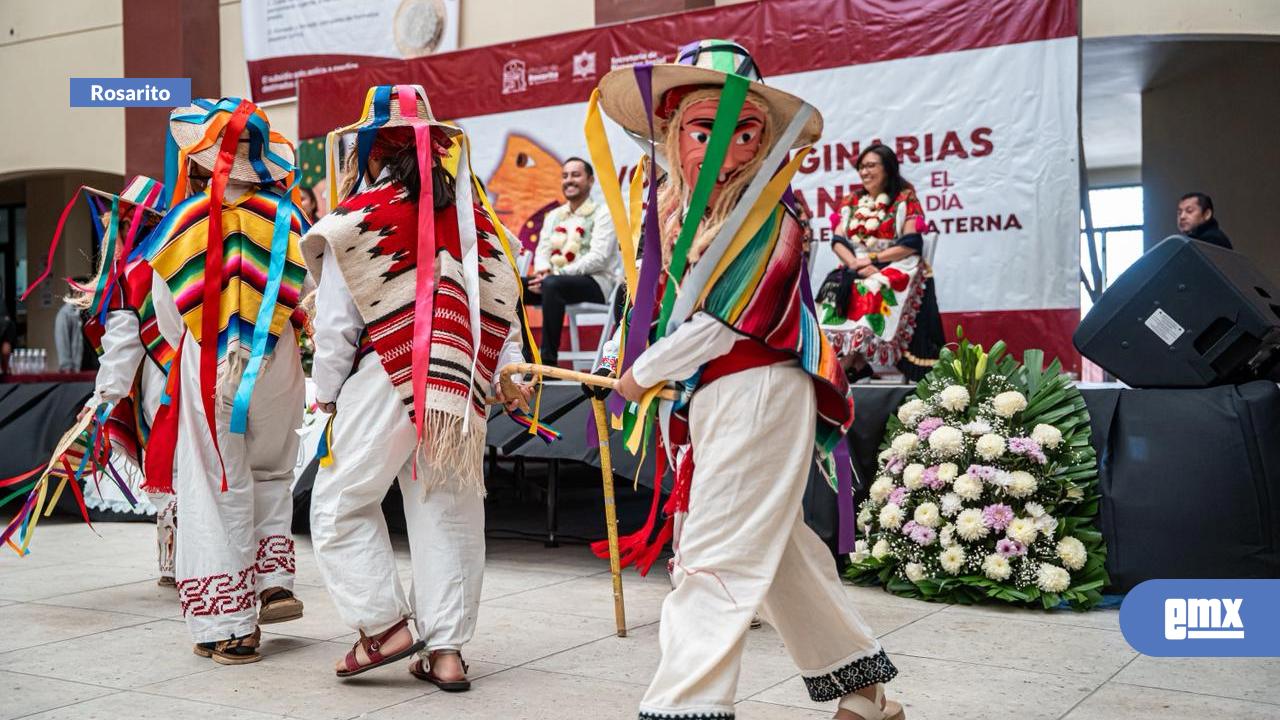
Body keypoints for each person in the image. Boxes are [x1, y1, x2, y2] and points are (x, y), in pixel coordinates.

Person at [590, 39, 904, 720]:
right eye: (705, 129)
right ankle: (866, 690)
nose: (724, 147)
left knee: (713, 556)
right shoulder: (678, 215)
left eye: (744, 131)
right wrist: (625, 354)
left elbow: (726, 323)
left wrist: (638, 376)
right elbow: (659, 306)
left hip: (761, 386)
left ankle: (686, 706)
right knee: (776, 550)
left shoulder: (773, 214)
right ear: (674, 132)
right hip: (715, 395)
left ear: (762, 141)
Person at [303, 85, 530, 688]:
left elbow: (335, 327)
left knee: (337, 503)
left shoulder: (356, 221)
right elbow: (499, 300)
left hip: (387, 372)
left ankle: (383, 626)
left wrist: (325, 393)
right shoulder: (471, 217)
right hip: (462, 381)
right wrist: (507, 367)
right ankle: (447, 651)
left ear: (371, 151)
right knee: (448, 511)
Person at [143, 97, 310, 664]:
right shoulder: (288, 218)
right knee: (272, 467)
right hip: (279, 360)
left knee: (216, 482)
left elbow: (169, 317)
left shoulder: (186, 221)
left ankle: (229, 626)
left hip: (209, 358)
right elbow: (308, 289)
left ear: (199, 160)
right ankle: (273, 581)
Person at [816, 144, 944, 383]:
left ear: (888, 168)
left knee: (874, 286)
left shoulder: (904, 198)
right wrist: (856, 263)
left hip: (896, 263)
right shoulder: (851, 200)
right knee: (835, 287)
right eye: (861, 167)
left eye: (871, 165)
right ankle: (850, 360)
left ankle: (853, 362)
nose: (864, 172)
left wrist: (873, 260)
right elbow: (838, 240)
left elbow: (910, 243)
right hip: (856, 265)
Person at [524, 157, 618, 366]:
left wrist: (555, 275)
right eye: (565, 176)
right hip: (553, 284)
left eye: (576, 175)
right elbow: (543, 250)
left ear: (590, 180)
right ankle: (524, 356)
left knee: (552, 284)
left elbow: (599, 258)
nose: (569, 180)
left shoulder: (603, 213)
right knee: (515, 287)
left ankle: (547, 363)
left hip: (595, 283)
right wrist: (542, 272)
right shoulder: (554, 215)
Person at [54, 293, 84, 371]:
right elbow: (62, 342)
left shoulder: (89, 310)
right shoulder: (65, 313)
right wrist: (66, 367)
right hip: (78, 368)